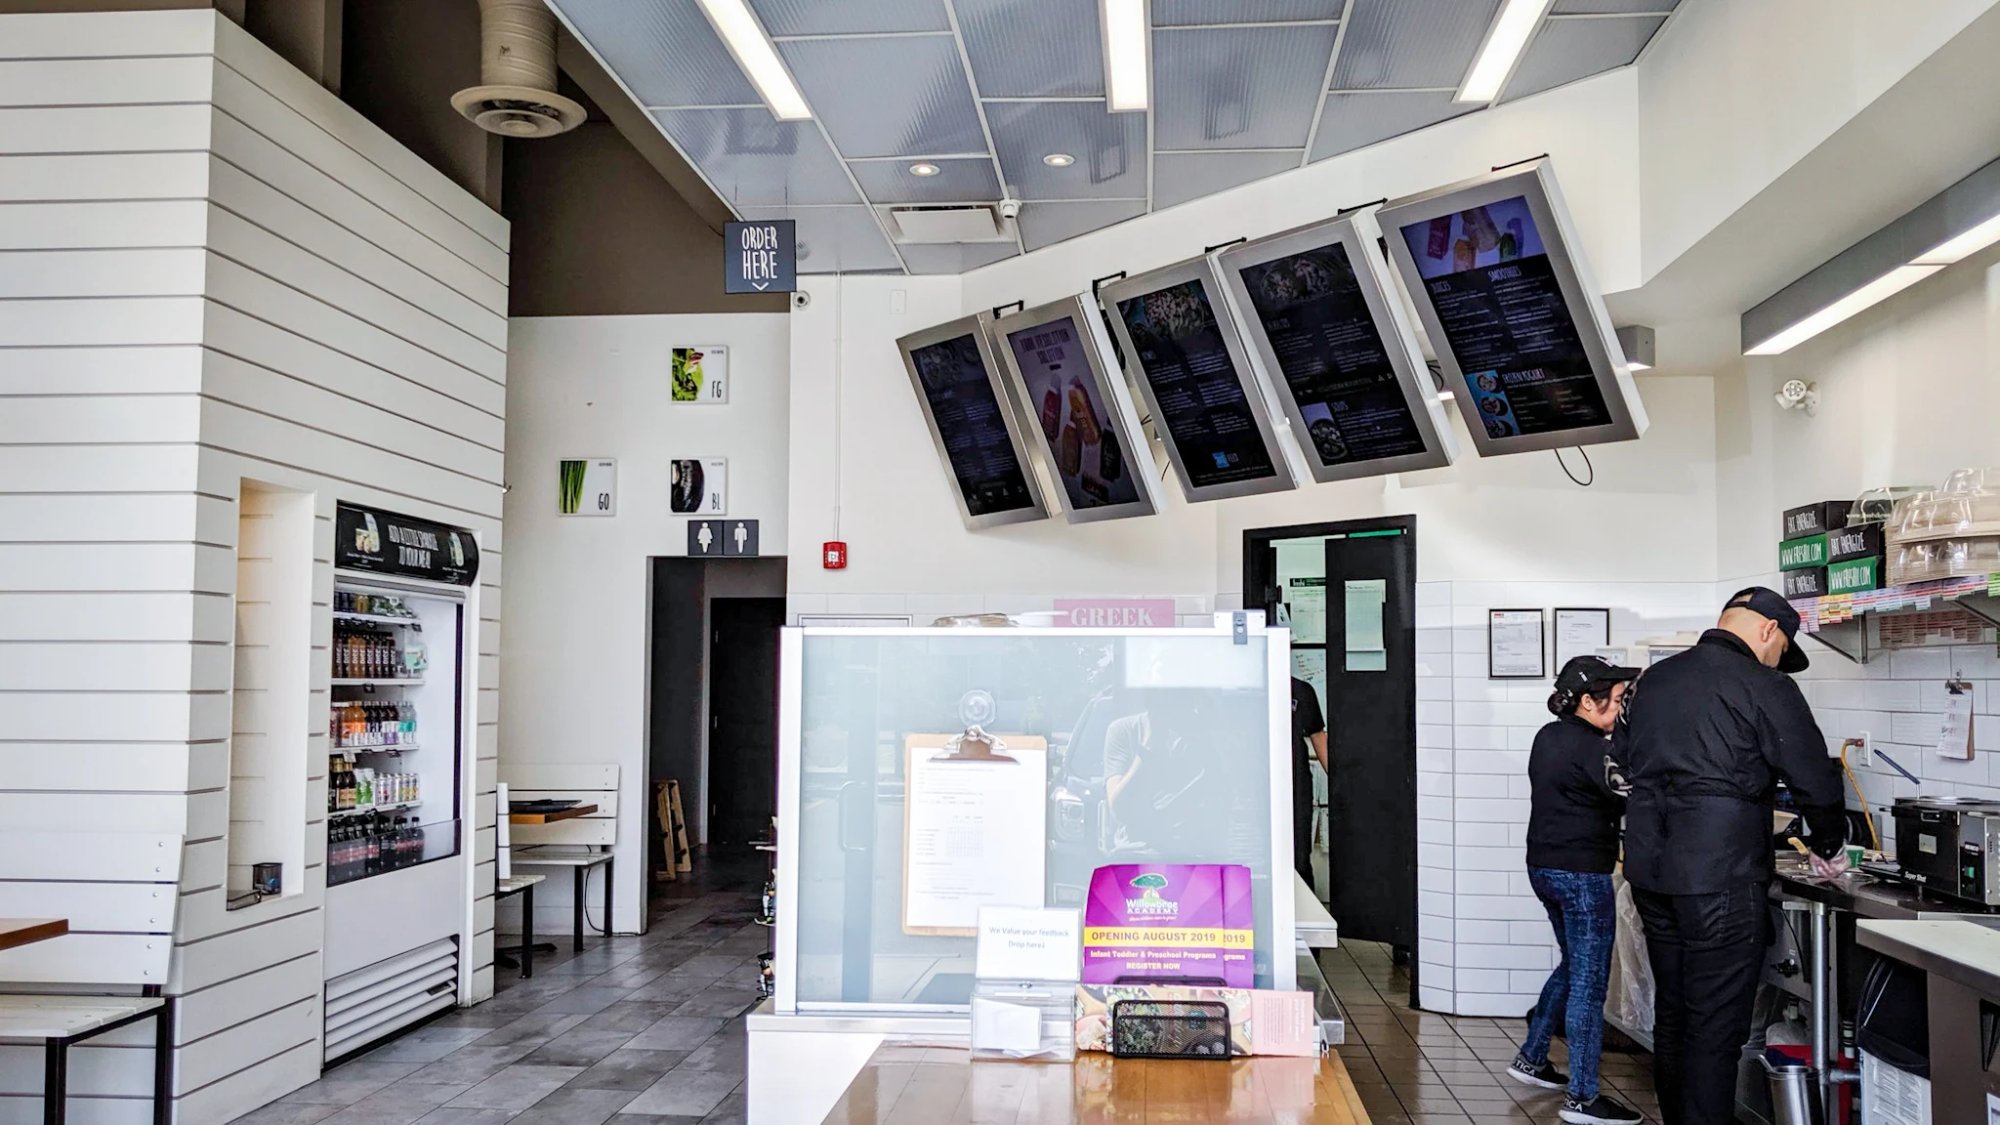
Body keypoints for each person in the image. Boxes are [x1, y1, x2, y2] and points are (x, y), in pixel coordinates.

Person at [1619, 587, 1849, 1125]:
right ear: (1769, 630)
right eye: (1781, 646)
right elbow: (1814, 776)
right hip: (1719, 873)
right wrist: (1828, 843)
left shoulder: (1653, 680)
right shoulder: (1765, 685)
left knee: (1674, 1015)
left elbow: (1622, 760)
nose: (1778, 659)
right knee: (1715, 1023)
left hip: (1651, 867)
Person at [1506, 656, 1644, 1125]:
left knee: (1573, 964)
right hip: (1582, 874)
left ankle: (1532, 1056)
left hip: (1542, 867)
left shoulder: (1549, 736)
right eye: (1618, 700)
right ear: (1589, 701)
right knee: (1589, 983)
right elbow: (1632, 791)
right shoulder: (1591, 748)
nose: (1622, 708)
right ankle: (1583, 1098)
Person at [1291, 676, 1329, 889]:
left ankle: (1303, 918)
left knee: (1299, 858)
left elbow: (1318, 736)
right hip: (1248, 792)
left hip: (1296, 788)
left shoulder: (1301, 690)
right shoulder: (1242, 689)